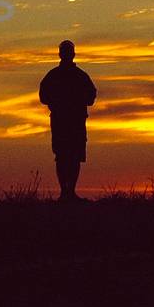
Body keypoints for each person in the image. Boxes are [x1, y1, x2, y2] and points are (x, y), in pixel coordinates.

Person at [38, 39, 96, 201]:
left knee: (71, 155)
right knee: (64, 155)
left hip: (72, 121)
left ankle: (69, 192)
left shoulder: (78, 76)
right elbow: (43, 96)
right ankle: (66, 192)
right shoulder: (62, 76)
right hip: (63, 121)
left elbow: (91, 97)